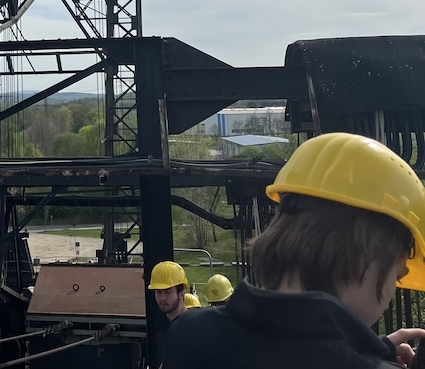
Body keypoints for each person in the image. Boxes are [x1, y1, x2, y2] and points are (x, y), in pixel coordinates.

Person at [162, 132, 425, 369]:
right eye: (397, 275)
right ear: (365, 257)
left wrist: (365, 351)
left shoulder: (189, 336)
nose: (393, 290)